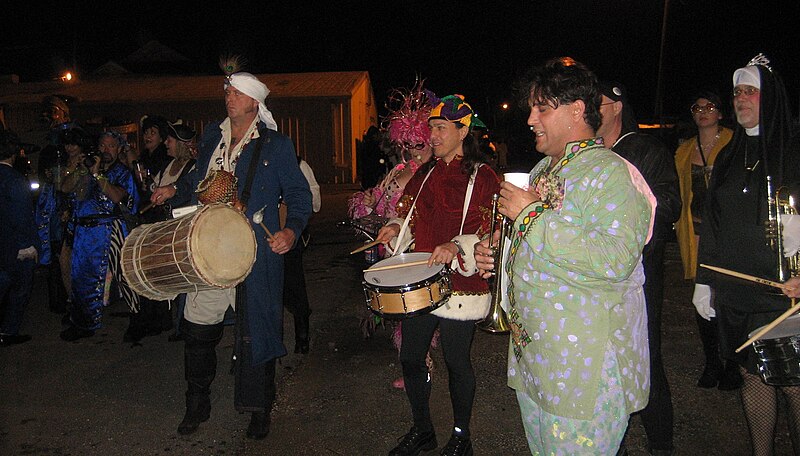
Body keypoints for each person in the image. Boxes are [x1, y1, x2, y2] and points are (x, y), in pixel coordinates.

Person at [475, 57, 655, 455]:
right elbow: (536, 248)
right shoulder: (541, 170)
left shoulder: (612, 173)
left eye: (542, 108)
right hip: (535, 358)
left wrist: (530, 214)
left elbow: (615, 257)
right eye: (531, 109)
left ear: (576, 109)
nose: (530, 120)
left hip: (586, 368)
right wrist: (499, 253)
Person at [150, 69, 312, 439]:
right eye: (227, 91)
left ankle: (258, 409)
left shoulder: (276, 145)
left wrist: (291, 230)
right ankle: (197, 403)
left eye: (236, 93)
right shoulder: (212, 136)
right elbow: (198, 181)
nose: (229, 97)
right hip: (209, 249)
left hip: (254, 252)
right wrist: (175, 190)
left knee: (257, 331)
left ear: (254, 102)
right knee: (197, 329)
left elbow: (299, 196)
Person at [375, 93, 499, 456]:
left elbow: (493, 229)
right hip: (424, 278)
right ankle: (423, 430)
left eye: (441, 128)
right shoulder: (426, 173)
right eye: (431, 128)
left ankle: (462, 436)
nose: (432, 136)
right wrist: (395, 228)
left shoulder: (483, 175)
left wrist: (457, 244)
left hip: (461, 282)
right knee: (411, 357)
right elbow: (409, 214)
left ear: (463, 131)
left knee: (457, 361)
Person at [695, 54, 800, 456]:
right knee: (753, 377)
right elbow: (714, 225)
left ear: (769, 97)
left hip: (785, 295)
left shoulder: (793, 153)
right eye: (737, 92)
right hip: (737, 293)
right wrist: (704, 283)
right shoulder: (728, 156)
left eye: (750, 92)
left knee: (792, 383)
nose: (741, 99)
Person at [596, 81, 682, 455]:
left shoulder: (646, 149)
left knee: (646, 354)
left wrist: (623, 205)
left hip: (642, 271)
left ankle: (661, 442)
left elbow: (670, 205)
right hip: (600, 272)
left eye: (596, 102)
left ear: (616, 106)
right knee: (606, 358)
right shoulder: (589, 154)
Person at [349, 80, 438, 390]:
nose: (412, 150)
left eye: (419, 145)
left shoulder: (435, 173)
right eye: (407, 144)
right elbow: (370, 210)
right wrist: (368, 202)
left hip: (421, 250)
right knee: (401, 316)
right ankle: (414, 364)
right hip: (391, 250)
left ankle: (421, 368)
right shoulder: (397, 169)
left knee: (417, 314)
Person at [674, 91, 740, 390]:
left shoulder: (734, 142)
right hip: (696, 231)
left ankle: (733, 364)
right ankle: (711, 362)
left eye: (710, 107)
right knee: (702, 298)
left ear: (721, 113)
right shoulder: (685, 150)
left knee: (728, 297)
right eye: (698, 108)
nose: (703, 112)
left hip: (727, 234)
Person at [59, 130, 140, 341]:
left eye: (111, 146)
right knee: (80, 278)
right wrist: (79, 169)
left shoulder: (121, 172)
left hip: (109, 229)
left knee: (125, 277)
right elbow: (65, 188)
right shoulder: (87, 168)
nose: (105, 150)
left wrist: (97, 175)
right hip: (83, 231)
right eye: (102, 145)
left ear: (120, 149)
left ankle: (138, 320)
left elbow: (115, 196)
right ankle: (84, 322)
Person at [124, 122, 197, 343]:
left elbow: (188, 194)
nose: (166, 143)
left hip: (180, 228)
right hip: (163, 227)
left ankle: (184, 324)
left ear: (182, 144)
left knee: (183, 275)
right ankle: (164, 319)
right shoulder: (169, 165)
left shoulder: (194, 167)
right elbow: (153, 189)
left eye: (170, 140)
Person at [0, 129, 38, 346]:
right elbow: (22, 215)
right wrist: (28, 245)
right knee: (18, 291)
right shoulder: (14, 179)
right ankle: (9, 331)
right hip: (14, 247)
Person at [283, 155, 321, 354]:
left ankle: (302, 336)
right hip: (263, 235)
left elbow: (314, 200)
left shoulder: (298, 164)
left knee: (294, 284)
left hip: (290, 234)